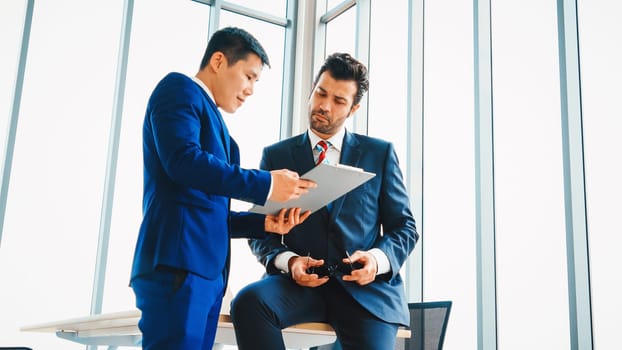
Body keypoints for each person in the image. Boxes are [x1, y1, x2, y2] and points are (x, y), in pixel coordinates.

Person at [129, 27, 315, 350]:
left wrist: (263, 223)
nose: (251, 90)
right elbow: (183, 161)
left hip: (207, 276)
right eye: (248, 76)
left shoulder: (224, 134)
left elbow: (209, 212)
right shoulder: (178, 90)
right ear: (218, 61)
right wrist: (267, 183)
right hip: (178, 266)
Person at [230, 52, 419, 350]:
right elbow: (262, 231)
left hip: (365, 291)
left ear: (354, 108)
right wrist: (289, 262)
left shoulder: (379, 154)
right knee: (249, 302)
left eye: (339, 101)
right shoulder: (276, 156)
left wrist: (376, 260)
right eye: (321, 93)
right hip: (302, 286)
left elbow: (404, 227)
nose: (324, 106)